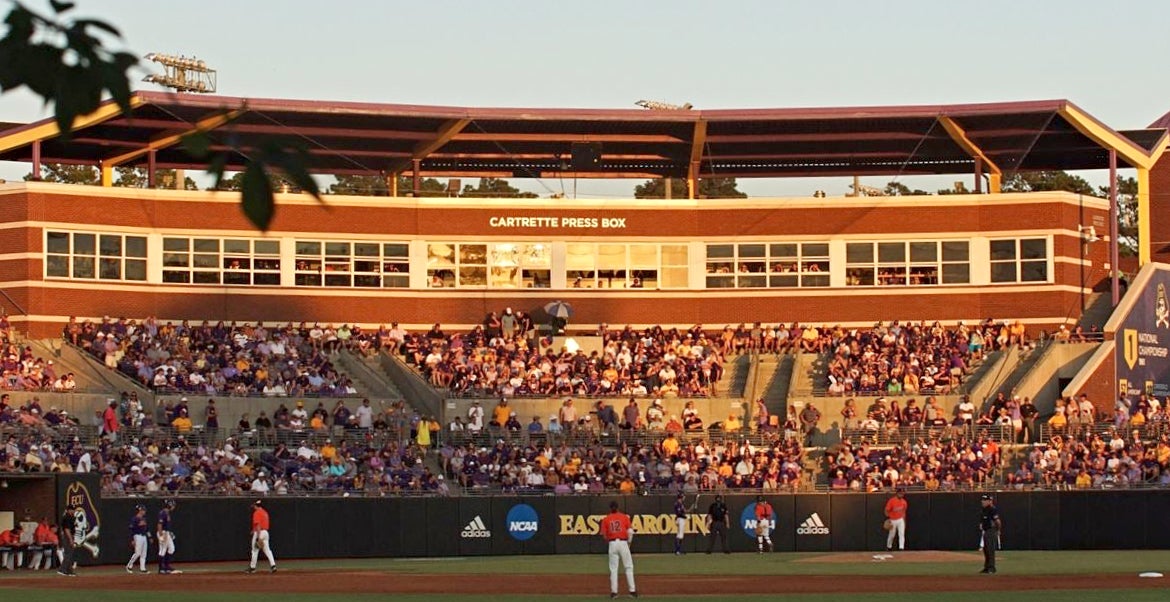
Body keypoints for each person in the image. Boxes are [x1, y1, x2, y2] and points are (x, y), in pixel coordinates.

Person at [601, 501, 637, 599]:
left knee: (613, 569)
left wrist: (611, 542)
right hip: (623, 543)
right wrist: (629, 543)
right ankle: (632, 591)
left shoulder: (606, 519)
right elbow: (630, 531)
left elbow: (604, 535)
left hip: (612, 543)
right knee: (628, 567)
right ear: (618, 507)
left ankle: (614, 592)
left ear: (610, 508)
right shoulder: (624, 517)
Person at [247, 500, 277, 573]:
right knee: (267, 550)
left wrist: (258, 537)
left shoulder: (257, 513)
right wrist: (254, 530)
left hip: (260, 532)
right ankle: (273, 566)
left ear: (256, 505)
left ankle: (252, 568)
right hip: (266, 533)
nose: (253, 507)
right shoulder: (265, 512)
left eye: (254, 505)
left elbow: (258, 525)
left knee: (254, 550)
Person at [156, 499, 181, 574]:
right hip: (163, 532)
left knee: (171, 549)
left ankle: (166, 566)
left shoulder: (167, 513)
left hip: (166, 532)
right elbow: (159, 524)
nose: (174, 507)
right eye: (173, 505)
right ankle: (161, 568)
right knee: (162, 550)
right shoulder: (163, 513)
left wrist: (169, 533)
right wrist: (161, 535)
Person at [979, 494, 1001, 574]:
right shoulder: (984, 509)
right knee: (986, 550)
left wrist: (998, 530)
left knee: (990, 549)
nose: (983, 501)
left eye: (985, 500)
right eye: (982, 500)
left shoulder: (992, 509)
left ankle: (992, 568)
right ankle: (987, 567)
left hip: (991, 531)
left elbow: (997, 521)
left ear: (989, 501)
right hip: (986, 531)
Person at [126, 505, 149, 573]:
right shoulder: (135, 519)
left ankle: (143, 568)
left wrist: (149, 537)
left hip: (144, 536)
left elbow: (146, 528)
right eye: (143, 510)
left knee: (144, 553)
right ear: (140, 510)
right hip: (137, 536)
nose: (144, 511)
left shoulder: (144, 519)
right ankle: (129, 566)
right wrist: (132, 539)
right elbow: (131, 529)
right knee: (138, 553)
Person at [884, 487, 908, 551]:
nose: (901, 494)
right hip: (892, 520)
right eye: (900, 493)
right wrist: (888, 518)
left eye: (902, 493)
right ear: (897, 493)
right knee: (892, 535)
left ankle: (901, 548)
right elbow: (886, 510)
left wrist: (904, 521)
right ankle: (889, 547)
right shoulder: (892, 501)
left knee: (901, 534)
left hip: (900, 520)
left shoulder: (904, 502)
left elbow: (904, 512)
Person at [57, 503, 77, 576]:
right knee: (68, 554)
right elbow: (66, 529)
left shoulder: (71, 517)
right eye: (71, 510)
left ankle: (69, 571)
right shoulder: (67, 517)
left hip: (69, 536)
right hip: (67, 536)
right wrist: (71, 539)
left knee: (69, 554)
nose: (73, 511)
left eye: (73, 510)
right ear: (68, 510)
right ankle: (62, 569)